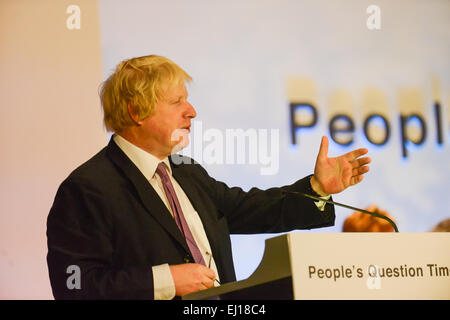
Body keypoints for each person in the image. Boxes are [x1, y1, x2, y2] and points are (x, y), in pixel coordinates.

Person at [46, 55, 371, 299]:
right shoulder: (88, 189)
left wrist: (317, 188)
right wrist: (167, 280)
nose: (192, 111)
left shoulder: (185, 170)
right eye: (177, 102)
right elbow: (76, 285)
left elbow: (248, 208)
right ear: (136, 112)